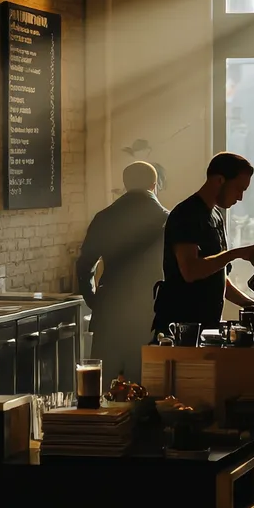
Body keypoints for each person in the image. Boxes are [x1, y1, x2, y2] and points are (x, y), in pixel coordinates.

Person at [76, 162, 169, 383]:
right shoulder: (167, 219)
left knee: (106, 381)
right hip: (150, 311)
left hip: (111, 310)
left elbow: (84, 265)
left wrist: (94, 300)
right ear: (154, 184)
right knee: (146, 381)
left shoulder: (105, 217)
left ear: (125, 184)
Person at [151, 153, 254, 334]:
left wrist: (252, 305)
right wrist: (235, 253)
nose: (240, 197)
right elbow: (191, 271)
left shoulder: (216, 217)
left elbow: (216, 277)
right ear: (219, 180)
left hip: (207, 328)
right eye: (238, 189)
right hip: (181, 330)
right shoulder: (187, 215)